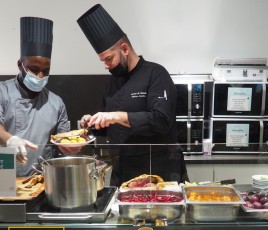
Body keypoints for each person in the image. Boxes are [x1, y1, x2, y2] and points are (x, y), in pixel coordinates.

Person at [77, 4, 189, 186]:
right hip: (123, 170)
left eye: (108, 58)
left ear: (124, 49)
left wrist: (117, 115)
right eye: (102, 60)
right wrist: (93, 123)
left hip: (158, 171)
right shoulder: (112, 81)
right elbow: (109, 126)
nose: (106, 65)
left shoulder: (156, 74)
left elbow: (161, 121)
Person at [0, 16, 81, 177]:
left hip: (42, 179)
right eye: (34, 69)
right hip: (4, 175)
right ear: (20, 65)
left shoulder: (56, 103)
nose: (39, 75)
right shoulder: (2, 92)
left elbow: (63, 140)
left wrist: (69, 147)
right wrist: (9, 140)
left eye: (46, 71)